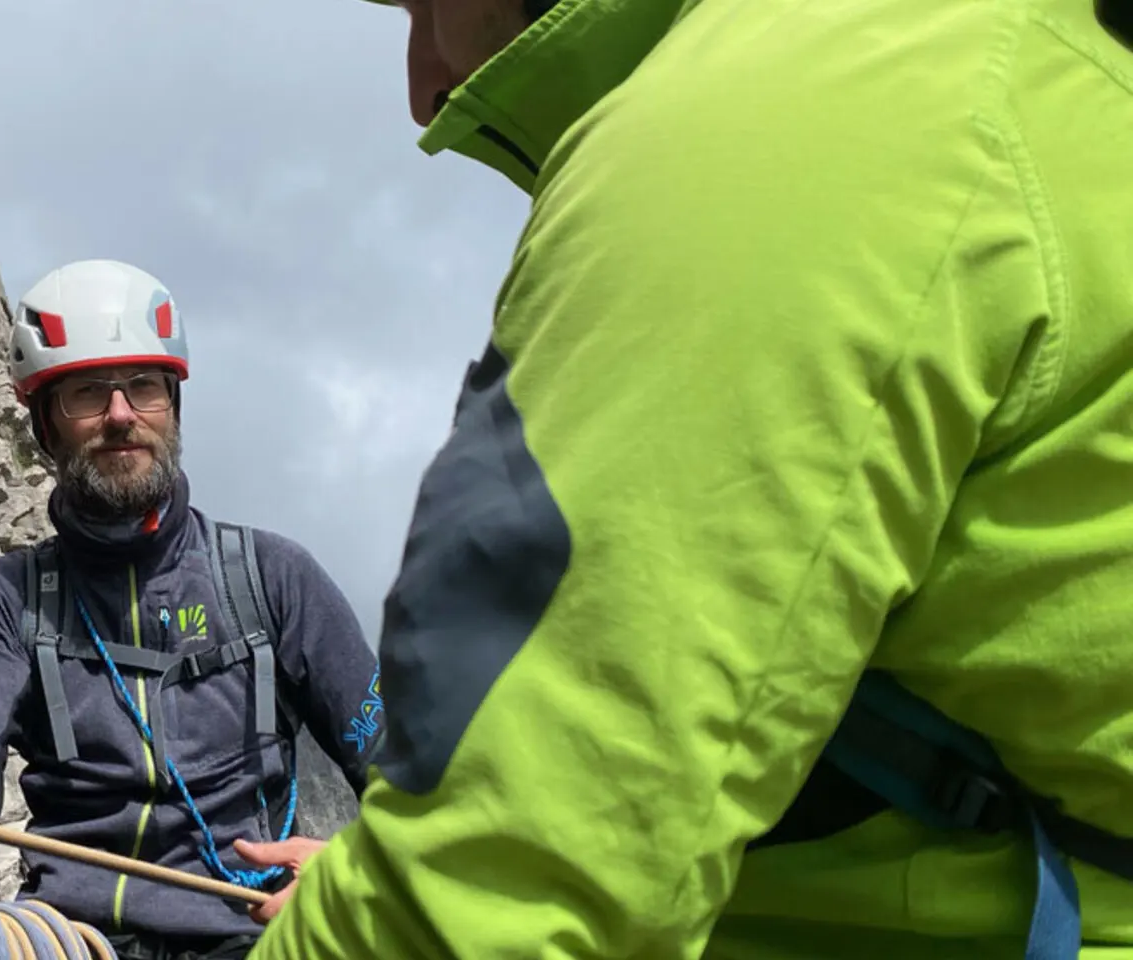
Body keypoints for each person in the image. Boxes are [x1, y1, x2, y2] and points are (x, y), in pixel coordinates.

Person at [247, 0, 1133, 957]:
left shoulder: (770, 138)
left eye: (424, 5)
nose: (424, 88)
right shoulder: (1005, 64)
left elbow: (483, 899)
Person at [0, 258, 387, 960]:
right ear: (45, 425)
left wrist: (353, 869)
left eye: (143, 388)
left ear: (172, 404)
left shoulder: (273, 578)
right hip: (72, 940)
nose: (121, 415)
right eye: (88, 394)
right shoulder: (6, 600)